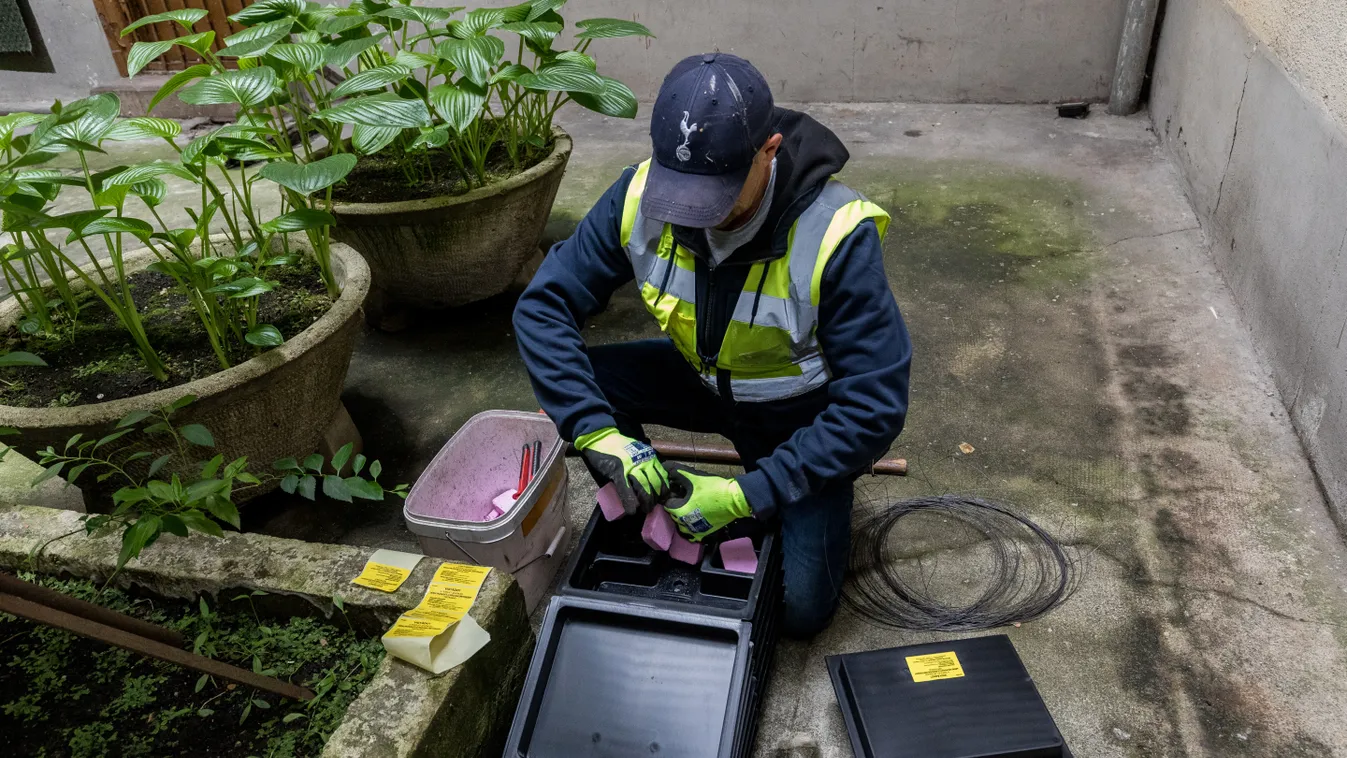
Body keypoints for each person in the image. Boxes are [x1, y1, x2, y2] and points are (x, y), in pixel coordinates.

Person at [513, 53, 911, 638]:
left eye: (714, 194)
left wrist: (750, 493)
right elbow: (542, 306)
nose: (693, 215)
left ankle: (769, 493)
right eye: (680, 192)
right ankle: (647, 500)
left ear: (769, 150)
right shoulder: (638, 196)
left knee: (799, 613)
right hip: (699, 380)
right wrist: (596, 433)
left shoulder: (835, 234)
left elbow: (875, 405)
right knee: (584, 383)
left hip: (796, 413)